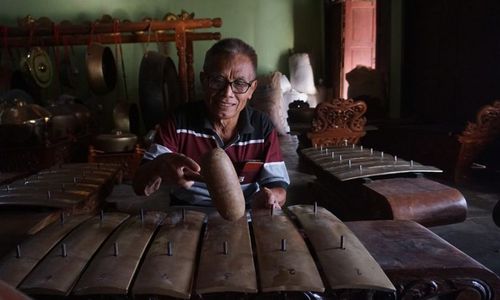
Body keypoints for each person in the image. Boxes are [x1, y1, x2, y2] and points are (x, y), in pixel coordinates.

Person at [133, 38, 289, 209]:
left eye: (240, 83)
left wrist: (271, 196)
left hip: (246, 217)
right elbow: (139, 186)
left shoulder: (262, 126)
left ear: (252, 89)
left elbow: (278, 186)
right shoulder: (178, 122)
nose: (227, 93)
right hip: (187, 219)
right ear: (203, 80)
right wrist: (159, 165)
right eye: (217, 80)